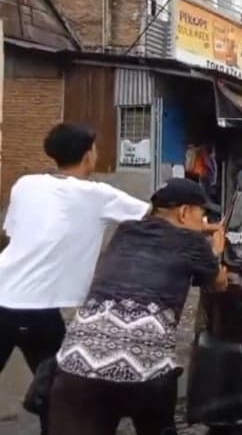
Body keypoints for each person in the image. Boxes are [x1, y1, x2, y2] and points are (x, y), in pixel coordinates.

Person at [0, 123, 150, 434]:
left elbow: (11, 234)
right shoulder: (97, 194)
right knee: (56, 390)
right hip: (35, 308)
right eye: (94, 150)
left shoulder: (25, 184)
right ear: (87, 156)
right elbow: (157, 216)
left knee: (54, 384)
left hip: (6, 292)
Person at [48, 178, 228, 435]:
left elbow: (160, 253)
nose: (204, 220)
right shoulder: (194, 244)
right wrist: (216, 251)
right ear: (184, 212)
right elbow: (218, 284)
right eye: (203, 213)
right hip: (146, 370)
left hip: (79, 362)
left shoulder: (125, 231)